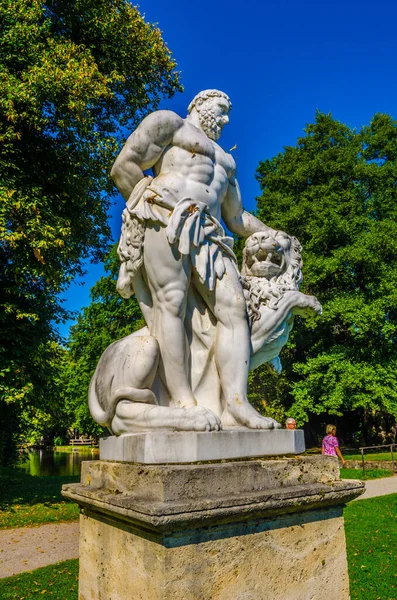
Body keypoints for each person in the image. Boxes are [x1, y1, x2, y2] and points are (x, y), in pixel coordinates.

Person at [110, 89, 281, 430]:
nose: (226, 119)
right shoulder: (169, 124)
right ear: (199, 105)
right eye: (221, 109)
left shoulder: (227, 162)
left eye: (229, 113)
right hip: (167, 220)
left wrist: (276, 233)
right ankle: (183, 402)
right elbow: (123, 167)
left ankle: (236, 405)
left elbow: (237, 219)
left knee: (234, 310)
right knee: (170, 305)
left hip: (212, 234)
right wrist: (152, 209)